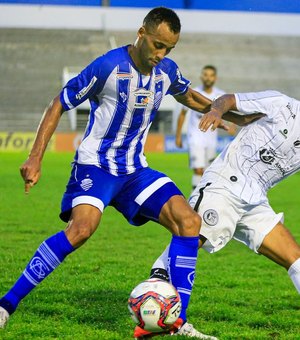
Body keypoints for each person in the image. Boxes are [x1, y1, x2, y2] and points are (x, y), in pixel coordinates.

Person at [0, 7, 250, 340]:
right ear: (141, 33)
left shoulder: (166, 71)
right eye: (158, 45)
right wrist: (35, 158)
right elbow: (59, 103)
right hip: (96, 166)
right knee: (81, 230)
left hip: (135, 171)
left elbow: (188, 94)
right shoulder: (108, 66)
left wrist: (235, 114)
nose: (161, 55)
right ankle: (6, 305)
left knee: (189, 222)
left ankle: (177, 322)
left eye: (169, 49)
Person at [151, 90, 300, 301]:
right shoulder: (281, 103)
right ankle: (152, 300)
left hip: (255, 200)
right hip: (226, 185)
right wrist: (216, 111)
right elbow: (229, 99)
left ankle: (160, 308)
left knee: (294, 258)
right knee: (190, 241)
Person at [175, 65, 236, 190]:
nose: (208, 78)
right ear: (201, 76)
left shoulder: (221, 95)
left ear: (215, 78)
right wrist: (178, 136)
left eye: (211, 75)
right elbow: (182, 114)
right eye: (205, 75)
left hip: (211, 139)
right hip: (195, 137)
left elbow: (233, 112)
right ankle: (194, 201)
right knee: (198, 170)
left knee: (208, 172)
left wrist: (232, 126)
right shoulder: (194, 93)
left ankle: (203, 200)